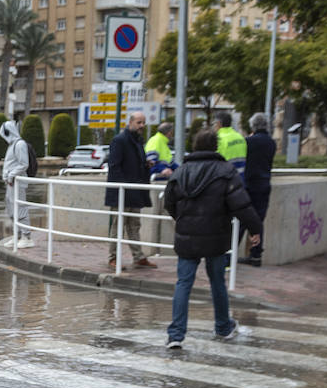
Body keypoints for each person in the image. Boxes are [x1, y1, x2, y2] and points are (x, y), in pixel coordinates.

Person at [162, 129, 262, 350]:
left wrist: (183, 220)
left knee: (183, 283)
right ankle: (223, 327)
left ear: (195, 146)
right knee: (217, 281)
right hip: (216, 235)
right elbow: (241, 204)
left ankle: (176, 334)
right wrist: (256, 229)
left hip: (187, 237)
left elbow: (169, 203)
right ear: (215, 146)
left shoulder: (181, 172)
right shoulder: (226, 171)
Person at [105, 112, 156, 270]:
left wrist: (145, 165)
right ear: (131, 122)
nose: (142, 126)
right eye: (139, 122)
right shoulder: (120, 140)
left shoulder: (137, 141)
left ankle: (138, 257)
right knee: (118, 226)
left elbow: (133, 164)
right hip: (123, 191)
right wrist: (124, 187)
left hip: (135, 191)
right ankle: (113, 258)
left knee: (134, 225)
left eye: (143, 123)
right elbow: (114, 167)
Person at [240, 112, 276, 267]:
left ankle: (229, 252)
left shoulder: (248, 142)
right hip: (264, 184)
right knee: (258, 221)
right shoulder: (271, 143)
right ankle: (256, 256)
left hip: (249, 185)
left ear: (252, 126)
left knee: (242, 220)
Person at [0, 119, 38, 248]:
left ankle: (26, 236)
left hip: (17, 182)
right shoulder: (12, 145)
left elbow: (24, 164)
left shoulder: (19, 144)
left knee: (20, 209)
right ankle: (17, 235)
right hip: (11, 183)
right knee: (11, 210)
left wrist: (11, 175)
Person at [214, 111, 247, 179]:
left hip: (226, 181)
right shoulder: (240, 137)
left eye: (214, 123)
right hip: (240, 180)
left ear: (219, 123)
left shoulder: (218, 139)